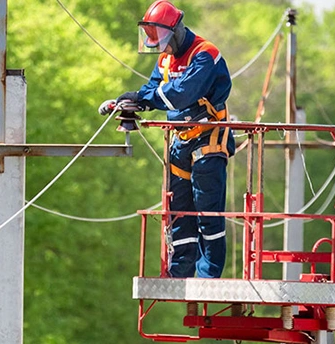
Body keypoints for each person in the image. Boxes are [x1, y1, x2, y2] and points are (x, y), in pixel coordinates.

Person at [98, 0, 234, 278]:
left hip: (208, 140)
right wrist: (125, 102)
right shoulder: (165, 58)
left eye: (162, 41)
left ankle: (208, 275)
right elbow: (151, 88)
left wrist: (142, 99)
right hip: (181, 142)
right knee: (179, 209)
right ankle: (181, 270)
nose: (160, 48)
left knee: (207, 210)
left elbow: (181, 93)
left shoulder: (204, 55)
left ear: (177, 30)